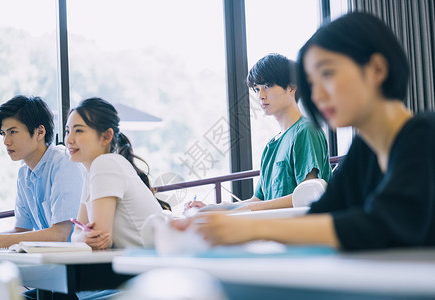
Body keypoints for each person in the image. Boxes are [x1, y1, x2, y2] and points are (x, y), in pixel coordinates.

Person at [174, 12, 435, 251]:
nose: (317, 95)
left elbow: (383, 224)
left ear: (377, 69)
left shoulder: (424, 136)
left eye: (328, 74)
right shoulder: (364, 151)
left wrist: (252, 227)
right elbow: (322, 214)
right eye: (312, 82)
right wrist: (220, 221)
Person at [186, 53, 332, 212]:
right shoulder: (272, 146)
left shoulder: (305, 131)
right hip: (272, 229)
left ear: (291, 87)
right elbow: (259, 199)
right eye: (256, 89)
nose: (260, 96)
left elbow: (307, 197)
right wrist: (213, 208)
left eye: (268, 86)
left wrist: (246, 209)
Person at [0, 95, 85, 248]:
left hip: (78, 263)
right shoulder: (23, 173)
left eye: (13, 132)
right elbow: (21, 230)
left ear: (40, 132)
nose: (6, 141)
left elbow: (60, 235)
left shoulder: (64, 162)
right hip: (49, 259)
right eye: (4, 133)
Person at [67, 97, 164, 250]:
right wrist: (82, 238)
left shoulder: (105, 164)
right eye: (67, 131)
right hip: (141, 261)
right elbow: (77, 233)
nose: (69, 139)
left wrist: (82, 239)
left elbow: (101, 241)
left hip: (152, 264)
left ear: (106, 136)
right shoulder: (92, 171)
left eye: (78, 130)